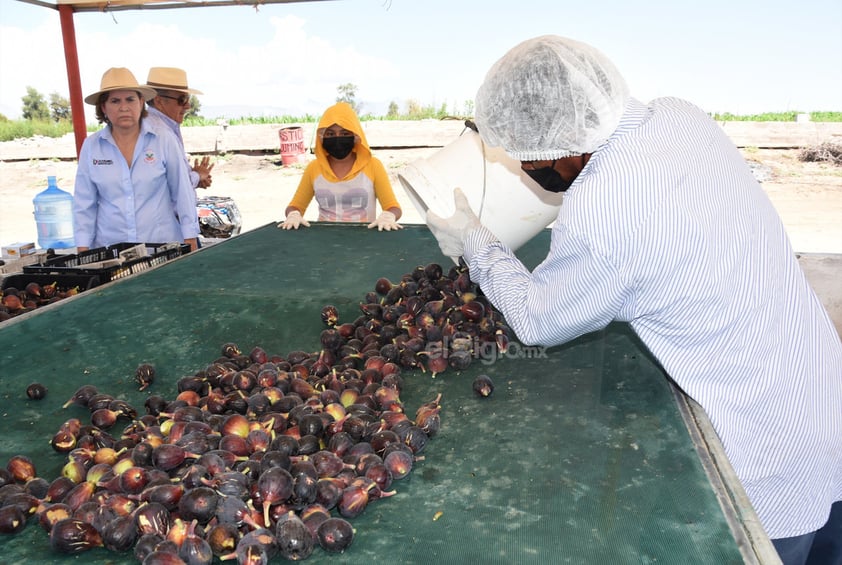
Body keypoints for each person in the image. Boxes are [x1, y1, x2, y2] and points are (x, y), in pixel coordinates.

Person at [426, 35, 841, 565]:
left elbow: (535, 317)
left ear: (565, 148)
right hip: (825, 389)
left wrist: (475, 241)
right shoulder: (679, 116)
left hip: (768, 449)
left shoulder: (606, 212)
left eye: (527, 158)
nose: (529, 170)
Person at [73, 67, 199, 252]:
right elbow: (84, 203)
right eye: (115, 101)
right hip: (112, 251)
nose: (124, 107)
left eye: (130, 99)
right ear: (103, 107)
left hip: (162, 247)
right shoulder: (92, 146)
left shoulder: (163, 139)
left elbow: (182, 191)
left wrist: (191, 239)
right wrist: (82, 248)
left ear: (141, 103)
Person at [277, 101, 403, 231]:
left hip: (365, 239)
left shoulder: (373, 165)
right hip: (324, 238)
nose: (337, 138)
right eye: (330, 134)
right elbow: (296, 205)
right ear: (322, 137)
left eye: (344, 134)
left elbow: (393, 206)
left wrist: (388, 216)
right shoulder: (313, 168)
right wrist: (293, 215)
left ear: (355, 136)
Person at [144, 67, 214, 190]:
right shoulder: (159, 133)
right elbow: (172, 185)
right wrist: (197, 175)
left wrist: (193, 177)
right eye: (182, 100)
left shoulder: (161, 127)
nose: (188, 105)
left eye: (187, 99)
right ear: (159, 101)